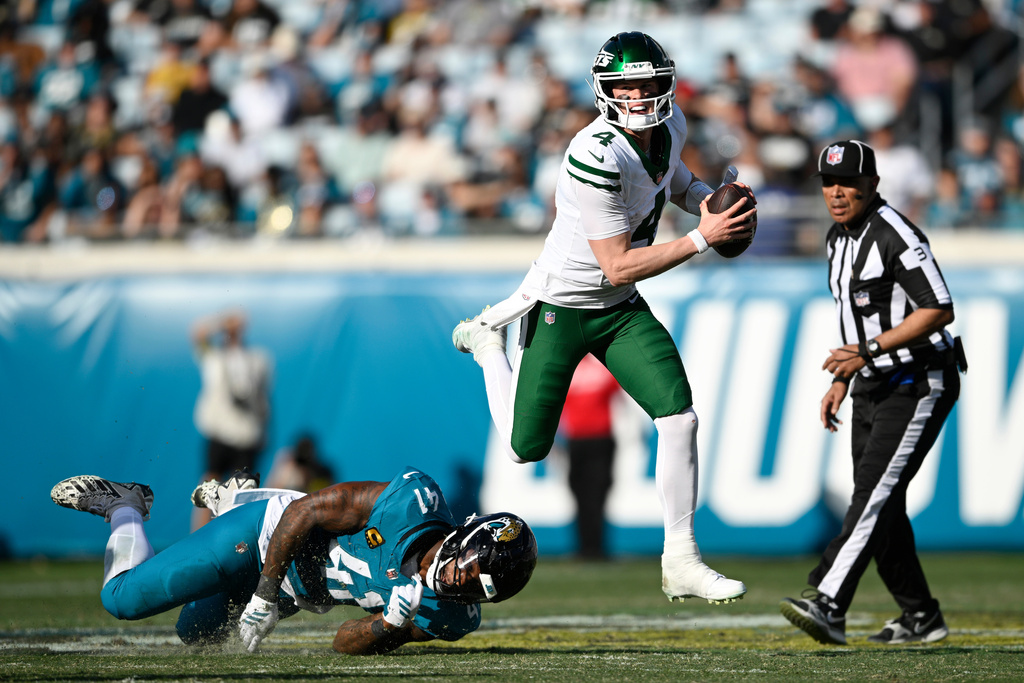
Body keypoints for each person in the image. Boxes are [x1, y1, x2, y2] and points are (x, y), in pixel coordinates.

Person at [451, 32, 755, 604]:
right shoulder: (595, 153)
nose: (638, 96)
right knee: (523, 448)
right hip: (562, 306)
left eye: (647, 83)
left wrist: (710, 200)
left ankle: (682, 559)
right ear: (605, 91)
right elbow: (616, 265)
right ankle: (489, 342)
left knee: (679, 417)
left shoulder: (672, 126)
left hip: (617, 310)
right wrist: (702, 237)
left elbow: (674, 180)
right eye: (626, 86)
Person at [780, 140, 966, 646]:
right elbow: (853, 316)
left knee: (872, 496)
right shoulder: (837, 238)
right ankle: (920, 615)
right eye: (828, 183)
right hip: (871, 381)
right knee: (882, 502)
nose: (837, 193)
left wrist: (869, 350)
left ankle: (829, 601)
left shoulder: (895, 234)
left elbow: (938, 308)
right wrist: (842, 378)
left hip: (917, 378)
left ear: (873, 185)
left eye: (848, 183)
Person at [49, 466, 538, 654]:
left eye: (477, 591)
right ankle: (125, 504)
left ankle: (232, 497)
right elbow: (306, 511)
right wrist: (263, 596)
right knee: (122, 600)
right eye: (468, 570)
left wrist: (388, 625)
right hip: (266, 538)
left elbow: (343, 643)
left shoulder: (450, 615)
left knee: (194, 633)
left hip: (299, 591)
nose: (459, 585)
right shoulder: (408, 504)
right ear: (466, 536)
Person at [191, 310, 272, 529]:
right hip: (219, 433)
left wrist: (265, 431)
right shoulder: (213, 357)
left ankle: (235, 541)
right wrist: (222, 322)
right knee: (209, 486)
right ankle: (197, 538)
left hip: (247, 435)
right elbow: (198, 334)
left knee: (243, 492)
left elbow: (264, 399)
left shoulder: (257, 359)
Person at [561, 353, 621, 560]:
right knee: (587, 493)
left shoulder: (572, 370)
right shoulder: (599, 369)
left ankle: (592, 547)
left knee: (592, 493)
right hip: (587, 439)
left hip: (593, 438)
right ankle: (589, 547)